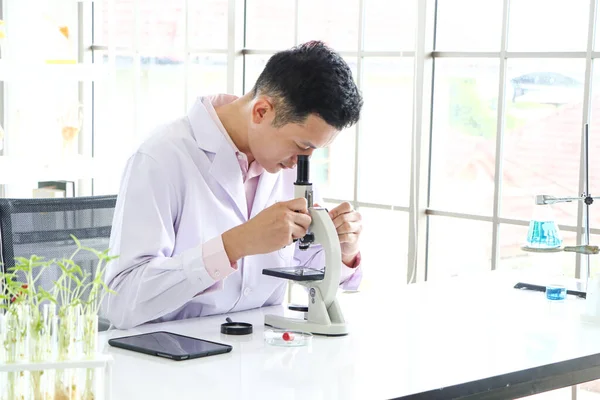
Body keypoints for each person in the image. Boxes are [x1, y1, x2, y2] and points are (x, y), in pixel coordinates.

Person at [103, 41, 364, 329]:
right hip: (170, 357)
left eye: (317, 149)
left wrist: (342, 248)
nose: (303, 161)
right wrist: (234, 245)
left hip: (260, 352)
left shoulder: (288, 164)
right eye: (302, 145)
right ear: (261, 112)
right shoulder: (161, 157)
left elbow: (310, 267)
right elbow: (121, 301)